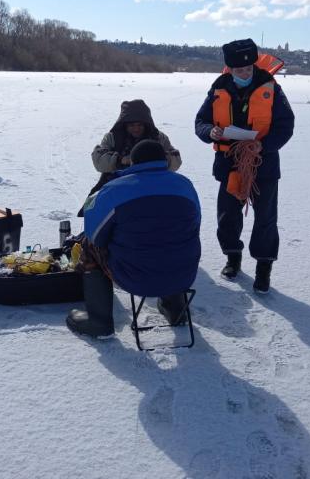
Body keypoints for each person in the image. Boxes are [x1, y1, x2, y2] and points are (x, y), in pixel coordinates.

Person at [66, 139, 201, 338]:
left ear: (132, 163)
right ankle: (175, 310)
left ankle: (99, 322)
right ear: (165, 160)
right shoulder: (185, 185)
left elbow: (93, 233)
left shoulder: (114, 190)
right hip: (184, 275)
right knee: (172, 239)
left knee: (89, 247)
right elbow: (195, 225)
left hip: (133, 277)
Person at [194, 38, 294, 293]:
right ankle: (232, 258)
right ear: (229, 69)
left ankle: (263, 269)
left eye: (248, 70)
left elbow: (286, 125)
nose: (244, 74)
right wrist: (211, 132)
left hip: (263, 163)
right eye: (239, 71)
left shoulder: (271, 88)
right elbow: (201, 121)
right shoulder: (218, 88)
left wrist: (264, 145)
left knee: (265, 219)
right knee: (227, 216)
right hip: (229, 163)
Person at [79, 99, 181, 216]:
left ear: (146, 124)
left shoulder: (158, 138)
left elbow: (176, 160)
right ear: (124, 124)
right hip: (116, 184)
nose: (136, 129)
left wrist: (160, 159)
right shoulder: (112, 138)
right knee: (91, 207)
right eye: (132, 125)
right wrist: (120, 160)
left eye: (139, 125)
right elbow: (98, 160)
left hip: (152, 184)